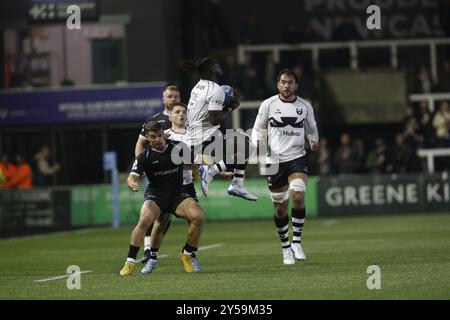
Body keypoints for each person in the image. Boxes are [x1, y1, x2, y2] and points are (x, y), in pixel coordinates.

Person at [119, 121, 207, 276]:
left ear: (164, 134)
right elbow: (132, 177)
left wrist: (222, 166)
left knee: (198, 216)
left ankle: (187, 254)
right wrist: (132, 182)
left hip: (177, 194)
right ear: (147, 137)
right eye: (153, 137)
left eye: (160, 135)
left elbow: (200, 159)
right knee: (145, 220)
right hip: (156, 195)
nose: (157, 139)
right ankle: (130, 262)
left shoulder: (178, 148)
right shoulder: (144, 156)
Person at [251, 69, 319, 265]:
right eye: (283, 82)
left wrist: (313, 141)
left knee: (298, 195)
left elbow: (313, 128)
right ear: (277, 84)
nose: (286, 86)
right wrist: (258, 143)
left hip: (297, 157)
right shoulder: (268, 104)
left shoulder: (305, 106)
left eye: (290, 82)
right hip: (274, 161)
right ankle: (286, 248)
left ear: (296, 85)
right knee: (280, 209)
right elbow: (257, 127)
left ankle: (297, 242)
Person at [181, 57, 258, 201]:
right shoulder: (215, 90)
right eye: (216, 64)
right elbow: (214, 119)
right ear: (212, 70)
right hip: (204, 138)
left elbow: (207, 113)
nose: (219, 66)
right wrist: (230, 107)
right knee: (248, 147)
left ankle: (237, 184)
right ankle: (212, 170)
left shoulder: (198, 86)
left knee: (243, 145)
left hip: (195, 137)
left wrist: (224, 104)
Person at [140, 103, 199, 273]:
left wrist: (215, 169)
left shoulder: (193, 136)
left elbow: (197, 158)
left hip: (186, 184)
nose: (181, 115)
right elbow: (148, 153)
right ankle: (152, 257)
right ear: (170, 117)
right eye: (177, 112)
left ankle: (191, 256)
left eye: (184, 112)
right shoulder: (164, 135)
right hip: (165, 186)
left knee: (194, 221)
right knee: (161, 221)